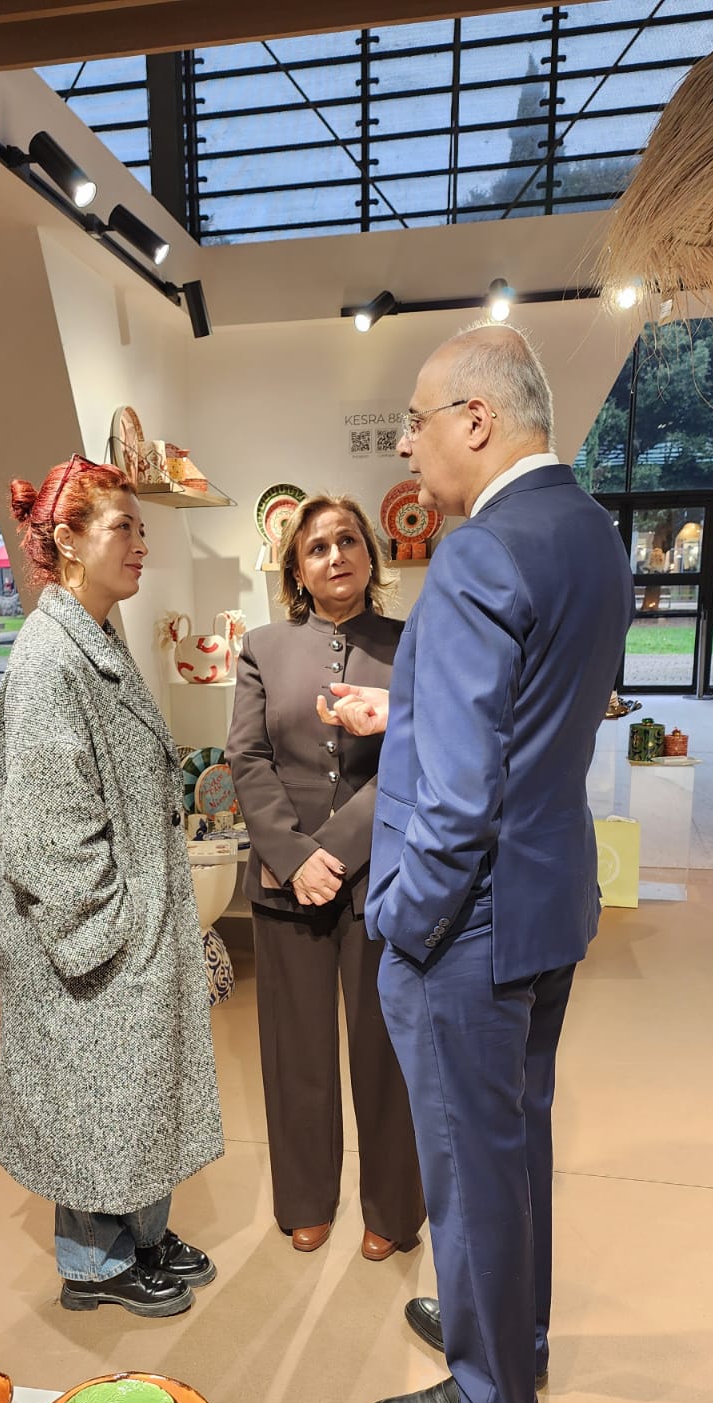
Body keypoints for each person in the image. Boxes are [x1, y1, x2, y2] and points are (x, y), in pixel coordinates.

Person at [322, 325, 632, 1403]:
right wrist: (405, 712)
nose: (407, 445)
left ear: (477, 419)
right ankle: (511, 1331)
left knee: (467, 1159)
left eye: (416, 421)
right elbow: (530, 716)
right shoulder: (591, 533)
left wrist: (401, 922)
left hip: (468, 925)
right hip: (549, 897)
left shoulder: (474, 554)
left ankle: (492, 1392)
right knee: (516, 1142)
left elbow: (457, 802)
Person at [0, 454, 223, 1318]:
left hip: (140, 915)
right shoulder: (48, 659)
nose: (140, 544)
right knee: (95, 1095)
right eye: (122, 527)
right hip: (94, 935)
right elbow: (49, 834)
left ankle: (142, 1234)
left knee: (135, 1090)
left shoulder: (96, 637)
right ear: (66, 539)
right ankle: (94, 1261)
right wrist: (111, 929)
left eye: (140, 527)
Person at [227, 495, 426, 1260]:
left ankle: (392, 1208)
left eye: (348, 540)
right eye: (316, 547)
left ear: (371, 554)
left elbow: (420, 754)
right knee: (296, 1054)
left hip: (384, 881)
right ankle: (305, 1199)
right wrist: (292, 854)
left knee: (386, 1052)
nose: (335, 555)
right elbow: (248, 758)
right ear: (296, 571)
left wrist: (333, 851)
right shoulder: (262, 648)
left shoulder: (412, 644)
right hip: (286, 886)